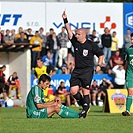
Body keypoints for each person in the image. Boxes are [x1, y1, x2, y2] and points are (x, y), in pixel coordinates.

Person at [62, 11, 104, 118]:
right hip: (77, 70)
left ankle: (84, 110)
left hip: (87, 70)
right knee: (73, 91)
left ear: (84, 35)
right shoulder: (75, 42)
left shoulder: (91, 45)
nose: (76, 35)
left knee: (85, 90)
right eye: (76, 34)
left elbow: (101, 54)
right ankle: (85, 104)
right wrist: (65, 19)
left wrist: (99, 64)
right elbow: (68, 31)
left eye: (78, 34)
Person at [122, 33, 133, 116]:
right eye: (131, 39)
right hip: (130, 74)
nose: (131, 41)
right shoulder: (129, 50)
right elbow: (126, 63)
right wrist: (126, 73)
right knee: (130, 91)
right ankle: (127, 111)